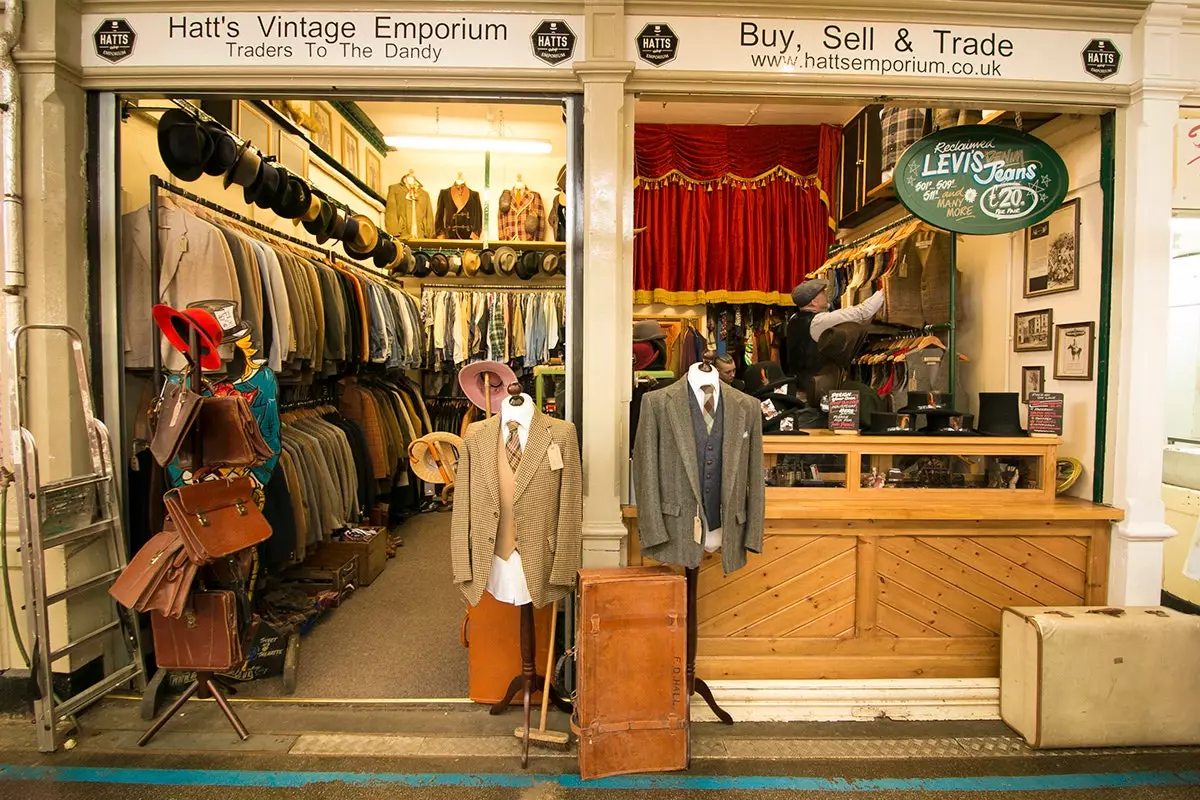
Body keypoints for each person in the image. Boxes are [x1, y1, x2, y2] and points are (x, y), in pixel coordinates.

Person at [785, 279, 885, 385]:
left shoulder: (793, 318)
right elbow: (862, 313)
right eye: (822, 292)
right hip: (817, 389)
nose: (826, 294)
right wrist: (883, 292)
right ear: (814, 302)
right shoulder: (819, 321)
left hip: (798, 385)